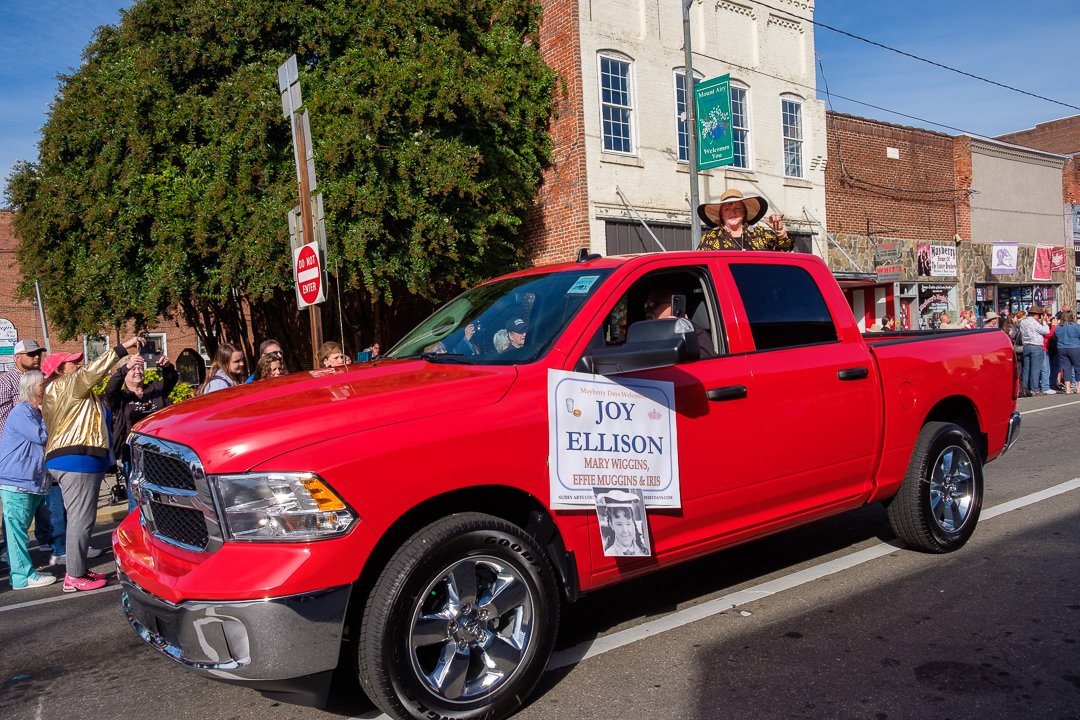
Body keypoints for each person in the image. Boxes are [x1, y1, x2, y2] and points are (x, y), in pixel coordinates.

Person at [42, 335, 143, 592]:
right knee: (80, 519)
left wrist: (122, 369)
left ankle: (79, 571)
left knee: (82, 518)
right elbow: (91, 372)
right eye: (73, 362)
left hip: (80, 459)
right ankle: (74, 576)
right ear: (58, 370)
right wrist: (121, 349)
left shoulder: (74, 393)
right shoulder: (65, 385)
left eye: (78, 360)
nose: (79, 364)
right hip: (76, 459)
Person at [0, 339, 62, 560]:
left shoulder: (39, 380)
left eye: (38, 353)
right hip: (16, 452)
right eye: (31, 354)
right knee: (17, 508)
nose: (36, 357)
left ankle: (45, 540)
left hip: (35, 454)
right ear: (17, 357)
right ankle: (11, 552)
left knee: (39, 501)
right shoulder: (7, 382)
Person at [104, 352, 178, 512]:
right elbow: (110, 388)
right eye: (133, 369)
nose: (138, 371)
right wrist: (126, 366)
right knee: (136, 498)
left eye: (140, 368)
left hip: (160, 452)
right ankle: (136, 532)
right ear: (125, 373)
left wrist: (167, 367)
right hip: (133, 455)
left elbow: (171, 379)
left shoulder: (155, 389)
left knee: (162, 496)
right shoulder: (121, 397)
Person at [695, 188, 792, 252]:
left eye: (737, 208)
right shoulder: (710, 238)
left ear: (744, 212)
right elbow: (700, 265)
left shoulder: (759, 234)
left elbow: (785, 250)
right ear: (721, 214)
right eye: (727, 209)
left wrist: (779, 231)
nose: (732, 213)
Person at [643, 287, 715, 359]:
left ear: (676, 305)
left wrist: (684, 335)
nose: (648, 309)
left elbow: (704, 366)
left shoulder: (697, 335)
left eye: (653, 304)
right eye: (646, 305)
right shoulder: (643, 333)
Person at [1019, 307, 1050, 397]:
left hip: (1026, 346)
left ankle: (1025, 388)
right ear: (1036, 315)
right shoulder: (1034, 322)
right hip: (1036, 346)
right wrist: (1044, 322)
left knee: (1026, 369)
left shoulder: (1023, 322)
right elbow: (1046, 331)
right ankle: (1034, 389)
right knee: (1035, 369)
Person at [1054, 310, 1080, 394]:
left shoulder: (1058, 327)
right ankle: (1079, 388)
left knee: (1066, 368)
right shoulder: (1076, 326)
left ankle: (1068, 389)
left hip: (1062, 348)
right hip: (1075, 347)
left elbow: (1056, 337)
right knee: (1078, 367)